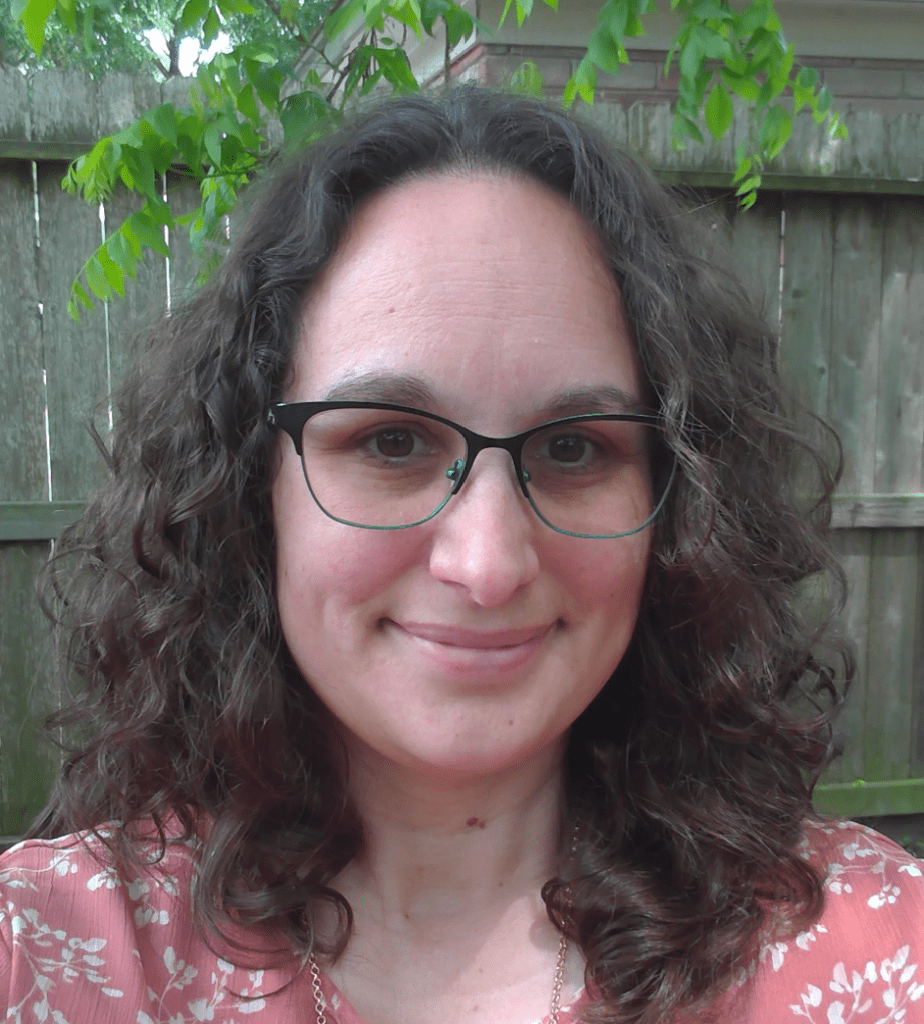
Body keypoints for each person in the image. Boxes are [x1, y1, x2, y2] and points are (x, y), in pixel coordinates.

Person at [1, 86, 921, 1024]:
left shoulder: (878, 954)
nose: (487, 567)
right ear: (250, 488)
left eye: (572, 449)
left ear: (676, 504)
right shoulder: (43, 952)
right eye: (392, 443)